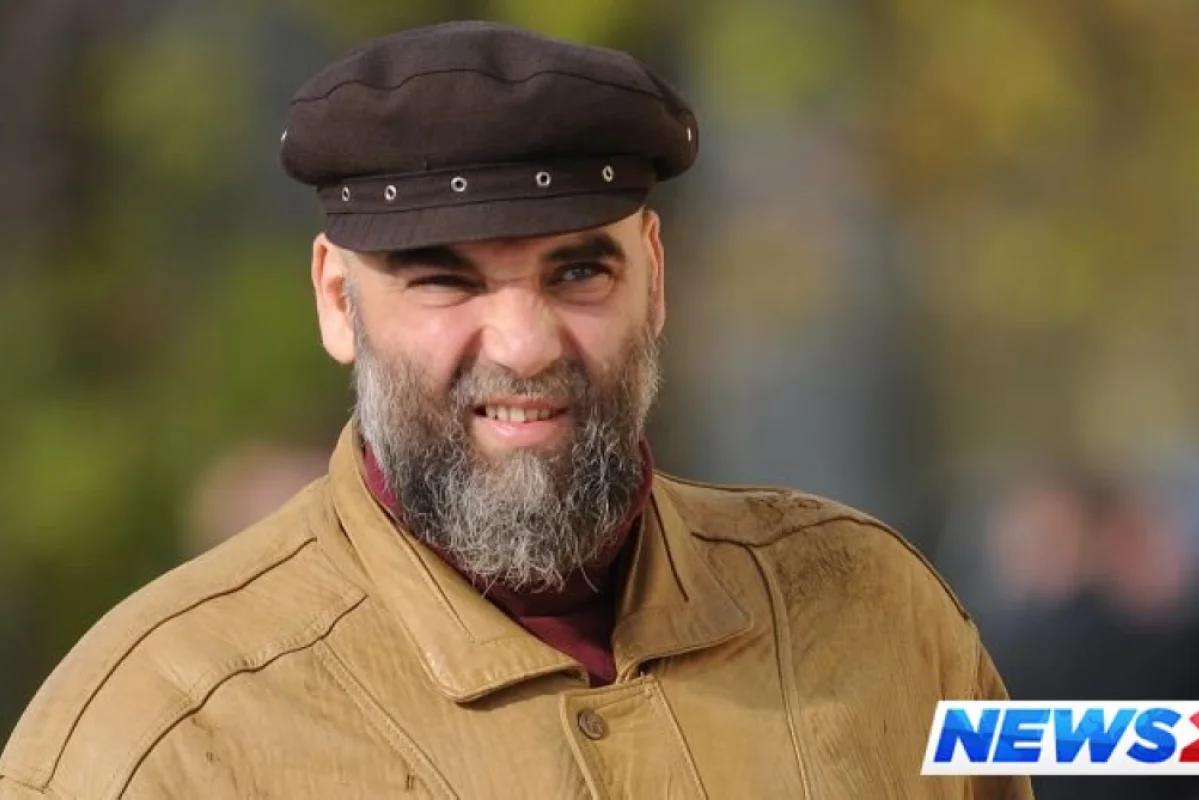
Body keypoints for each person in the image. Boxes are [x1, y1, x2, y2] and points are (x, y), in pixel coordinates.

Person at [0, 21, 1031, 799]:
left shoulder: (873, 611)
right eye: (443, 281)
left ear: (655, 275)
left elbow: (1116, 747)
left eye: (578, 271)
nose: (525, 344)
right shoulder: (159, 735)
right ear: (336, 300)